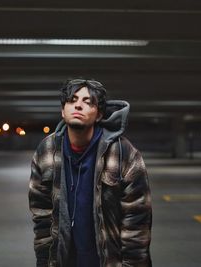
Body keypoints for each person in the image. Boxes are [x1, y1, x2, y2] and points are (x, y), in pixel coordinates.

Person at [29, 78, 152, 267]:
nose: (78, 105)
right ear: (63, 111)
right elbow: (42, 216)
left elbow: (137, 221)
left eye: (88, 102)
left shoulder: (123, 153)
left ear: (99, 114)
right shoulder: (46, 150)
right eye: (72, 100)